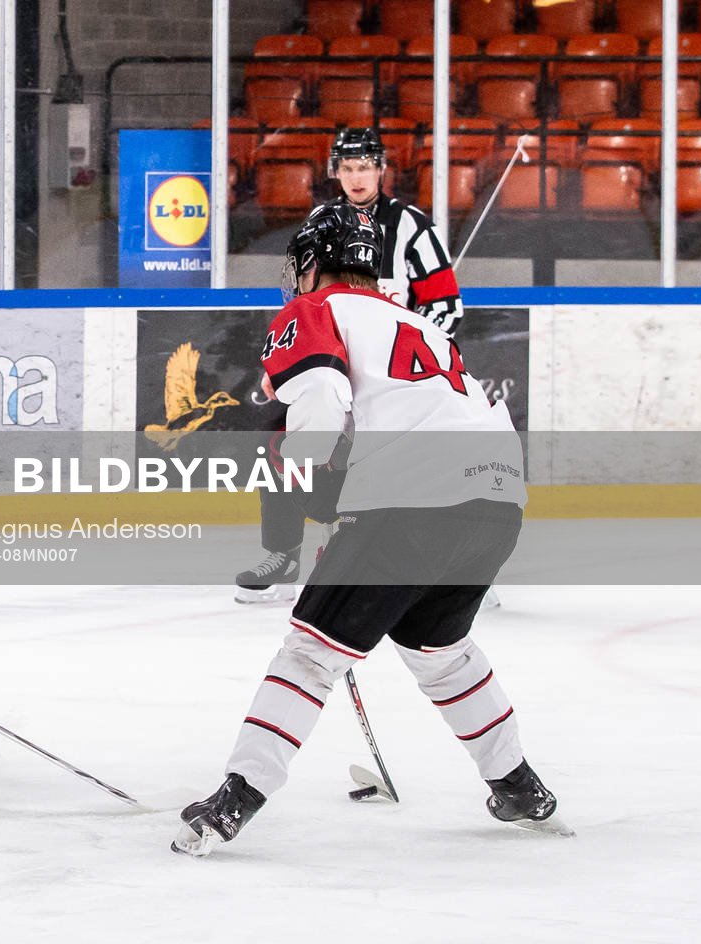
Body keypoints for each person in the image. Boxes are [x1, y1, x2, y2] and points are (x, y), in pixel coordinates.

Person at [174, 204, 562, 856]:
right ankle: (518, 783)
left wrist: (311, 485)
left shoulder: (315, 311)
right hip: (498, 500)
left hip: (414, 500)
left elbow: (323, 405)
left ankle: (234, 799)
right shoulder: (415, 322)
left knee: (310, 652)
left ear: (312, 267)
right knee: (441, 650)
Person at [233, 126, 462, 603]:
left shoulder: (411, 227)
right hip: (337, 368)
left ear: (382, 169)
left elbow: (445, 306)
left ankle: (437, 555)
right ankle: (285, 551)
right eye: (348, 168)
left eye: (365, 167)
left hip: (394, 377)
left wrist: (398, 345)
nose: (357, 177)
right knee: (277, 435)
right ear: (335, 172)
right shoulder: (325, 224)